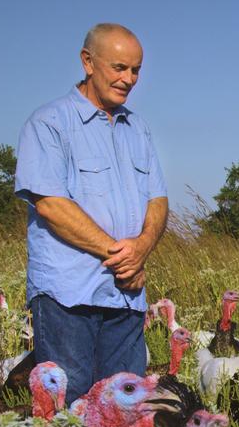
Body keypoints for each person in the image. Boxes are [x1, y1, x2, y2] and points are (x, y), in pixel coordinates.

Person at [14, 23, 168, 404]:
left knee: (125, 406)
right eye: (119, 67)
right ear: (88, 62)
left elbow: (158, 199)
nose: (128, 79)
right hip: (69, 294)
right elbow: (51, 203)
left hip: (125, 294)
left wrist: (143, 247)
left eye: (135, 70)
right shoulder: (50, 123)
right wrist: (122, 255)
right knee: (71, 402)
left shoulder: (138, 129)